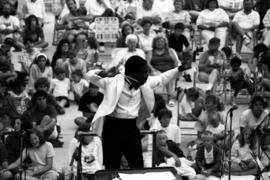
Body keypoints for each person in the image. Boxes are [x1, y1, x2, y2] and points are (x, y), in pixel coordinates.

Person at [86, 55, 186, 169]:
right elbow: (89, 75)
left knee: (137, 165)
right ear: (132, 73)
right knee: (112, 165)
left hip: (131, 127)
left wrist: (178, 69)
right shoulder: (112, 81)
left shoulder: (144, 83)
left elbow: (162, 78)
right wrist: (103, 73)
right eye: (144, 72)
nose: (146, 75)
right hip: (112, 127)